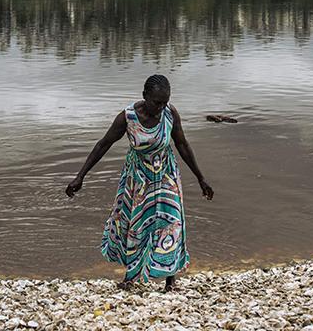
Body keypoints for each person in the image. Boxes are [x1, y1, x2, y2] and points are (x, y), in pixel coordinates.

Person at [65, 74, 213, 292]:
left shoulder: (170, 114)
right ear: (145, 96)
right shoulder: (128, 117)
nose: (161, 106)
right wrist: (81, 176)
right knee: (136, 224)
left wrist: (201, 178)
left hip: (166, 175)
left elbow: (182, 144)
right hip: (138, 179)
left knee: (171, 222)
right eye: (157, 102)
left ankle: (170, 279)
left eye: (165, 101)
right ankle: (131, 276)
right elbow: (103, 144)